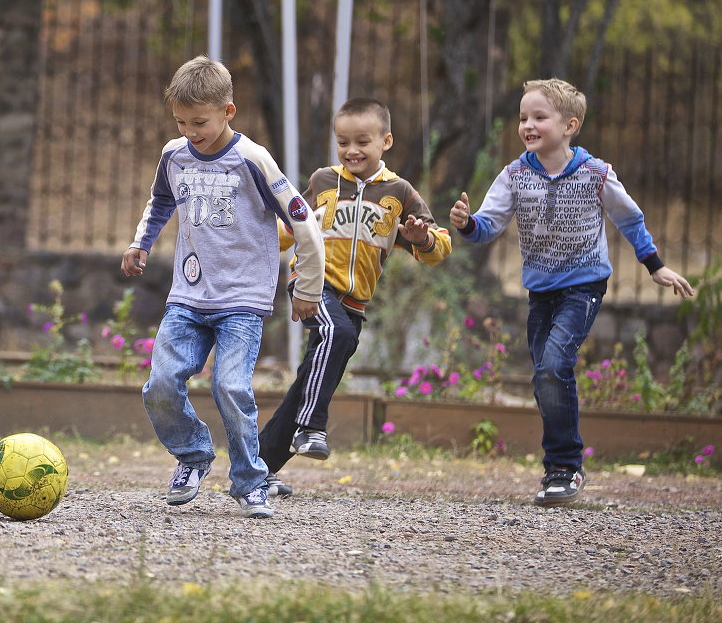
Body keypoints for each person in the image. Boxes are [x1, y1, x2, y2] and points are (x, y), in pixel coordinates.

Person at [449, 78, 694, 507]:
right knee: (545, 375)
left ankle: (565, 467)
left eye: (539, 117)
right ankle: (558, 470)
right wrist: (467, 223)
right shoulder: (514, 175)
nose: (528, 125)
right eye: (524, 117)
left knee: (554, 364)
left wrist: (654, 265)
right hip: (540, 290)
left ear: (569, 125)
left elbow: (630, 219)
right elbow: (487, 226)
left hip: (584, 285)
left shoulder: (595, 173)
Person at [121, 55, 325, 519]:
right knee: (159, 385)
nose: (191, 131)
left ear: (228, 111)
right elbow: (160, 203)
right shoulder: (174, 155)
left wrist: (307, 287)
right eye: (181, 121)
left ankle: (250, 481)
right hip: (189, 297)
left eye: (200, 122)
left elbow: (303, 220)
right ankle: (193, 456)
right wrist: (140, 244)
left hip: (242, 301)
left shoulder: (252, 159)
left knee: (231, 387)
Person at [259, 98, 452, 496]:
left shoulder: (398, 193)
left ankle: (257, 467)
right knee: (338, 337)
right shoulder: (324, 182)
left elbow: (438, 248)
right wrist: (257, 240)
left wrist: (422, 238)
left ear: (386, 141)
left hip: (354, 301)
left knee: (312, 376)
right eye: (343, 142)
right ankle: (311, 427)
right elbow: (290, 226)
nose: (351, 151)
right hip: (311, 283)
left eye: (362, 141)